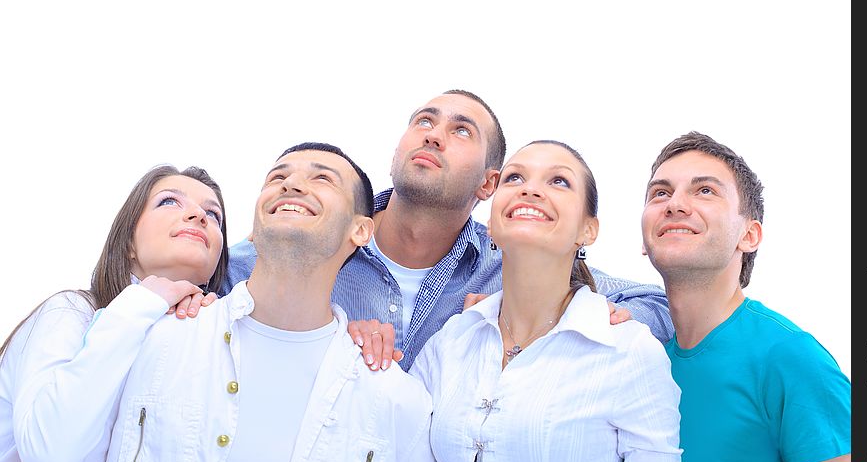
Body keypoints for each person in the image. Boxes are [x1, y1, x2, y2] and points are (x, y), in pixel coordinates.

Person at [224, 90, 673, 369]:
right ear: (397, 152)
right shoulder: (317, 241)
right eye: (424, 121)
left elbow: (655, 303)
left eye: (462, 131)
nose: (434, 135)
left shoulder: (506, 271)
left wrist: (576, 321)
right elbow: (212, 268)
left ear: (488, 183)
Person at [100, 142, 445, 462]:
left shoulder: (398, 401)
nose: (291, 184)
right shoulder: (146, 336)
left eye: (323, 179)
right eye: (277, 177)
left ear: (361, 231)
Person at [411, 140, 682, 462]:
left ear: (588, 231)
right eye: (514, 178)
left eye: (558, 181)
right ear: (490, 224)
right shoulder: (450, 341)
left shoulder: (628, 350)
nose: (530, 189)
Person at [641, 131, 851, 462]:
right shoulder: (641, 358)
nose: (675, 204)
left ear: (749, 235)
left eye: (704, 190)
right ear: (644, 239)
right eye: (661, 193)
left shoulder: (790, 357)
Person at [0, 165, 229, 462]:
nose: (198, 215)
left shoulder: (209, 342)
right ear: (128, 243)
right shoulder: (70, 312)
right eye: (169, 202)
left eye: (214, 214)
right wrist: (140, 304)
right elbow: (50, 456)